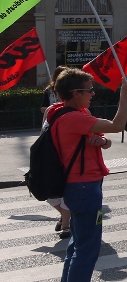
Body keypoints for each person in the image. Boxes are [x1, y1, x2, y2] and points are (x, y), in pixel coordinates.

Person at [48, 68, 127, 282]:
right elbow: (118, 125)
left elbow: (101, 137)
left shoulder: (67, 113)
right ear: (75, 93)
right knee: (87, 249)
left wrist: (103, 143)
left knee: (77, 245)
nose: (93, 95)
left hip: (81, 186)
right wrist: (124, 97)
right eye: (89, 90)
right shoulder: (72, 118)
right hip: (84, 188)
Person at [41, 65, 71, 239]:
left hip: (69, 157)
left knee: (66, 189)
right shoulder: (51, 105)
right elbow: (43, 111)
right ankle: (65, 217)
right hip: (52, 151)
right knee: (47, 191)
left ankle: (66, 223)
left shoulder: (79, 110)